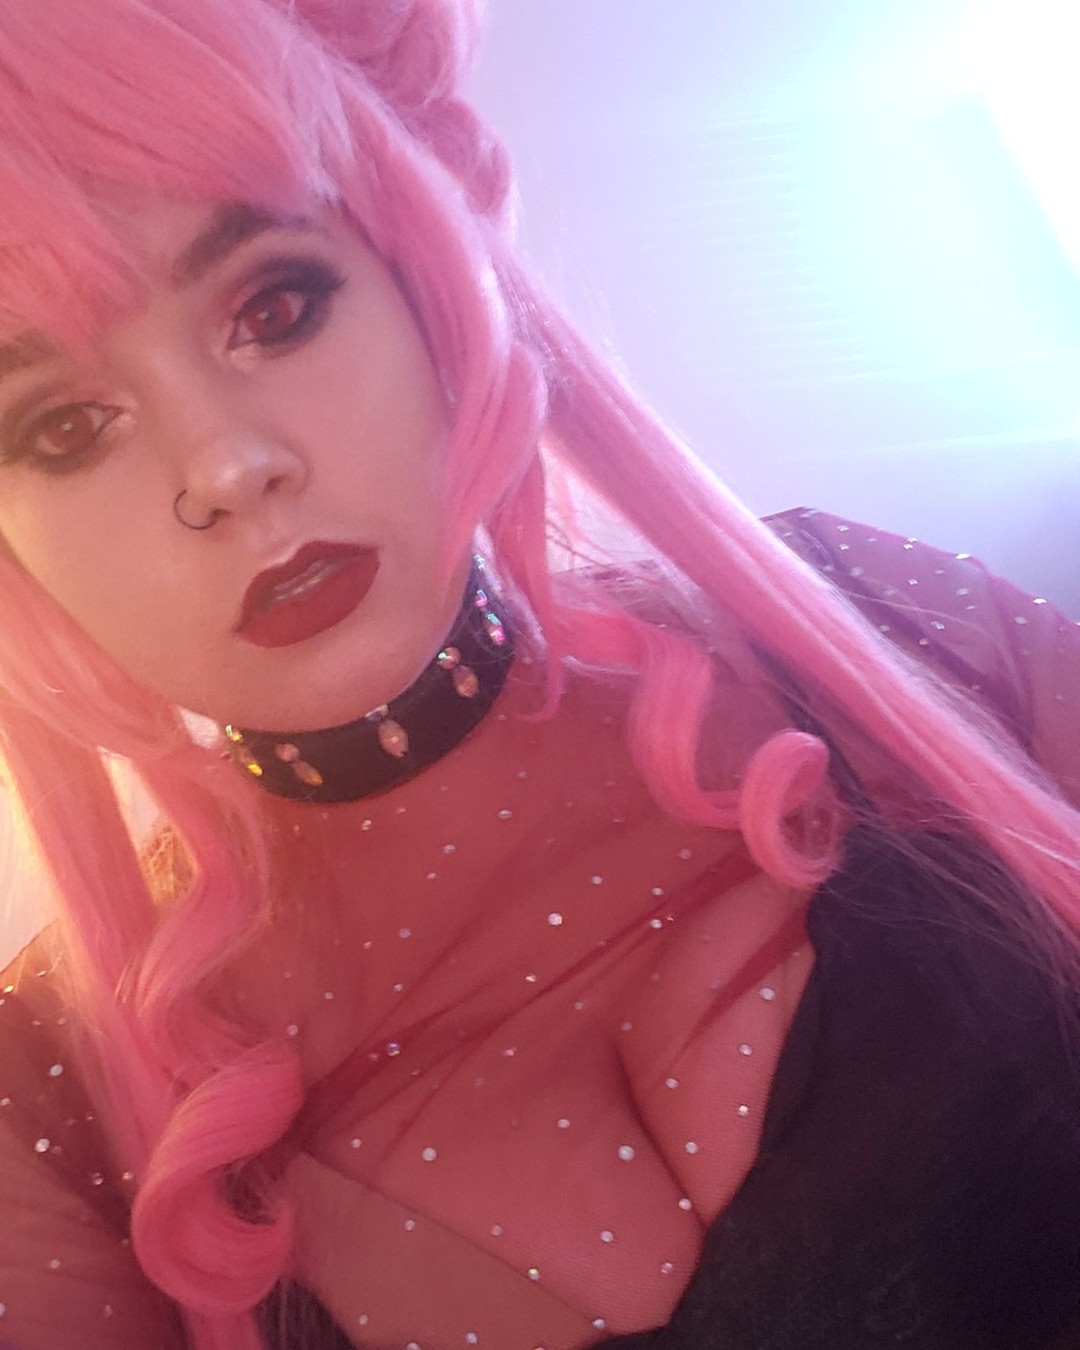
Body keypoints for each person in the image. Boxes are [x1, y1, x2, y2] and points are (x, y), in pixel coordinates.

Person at [0, 2, 1077, 1348]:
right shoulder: (46, 1104)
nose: (227, 465)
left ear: (424, 281)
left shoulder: (878, 618)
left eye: (274, 308)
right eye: (64, 426)